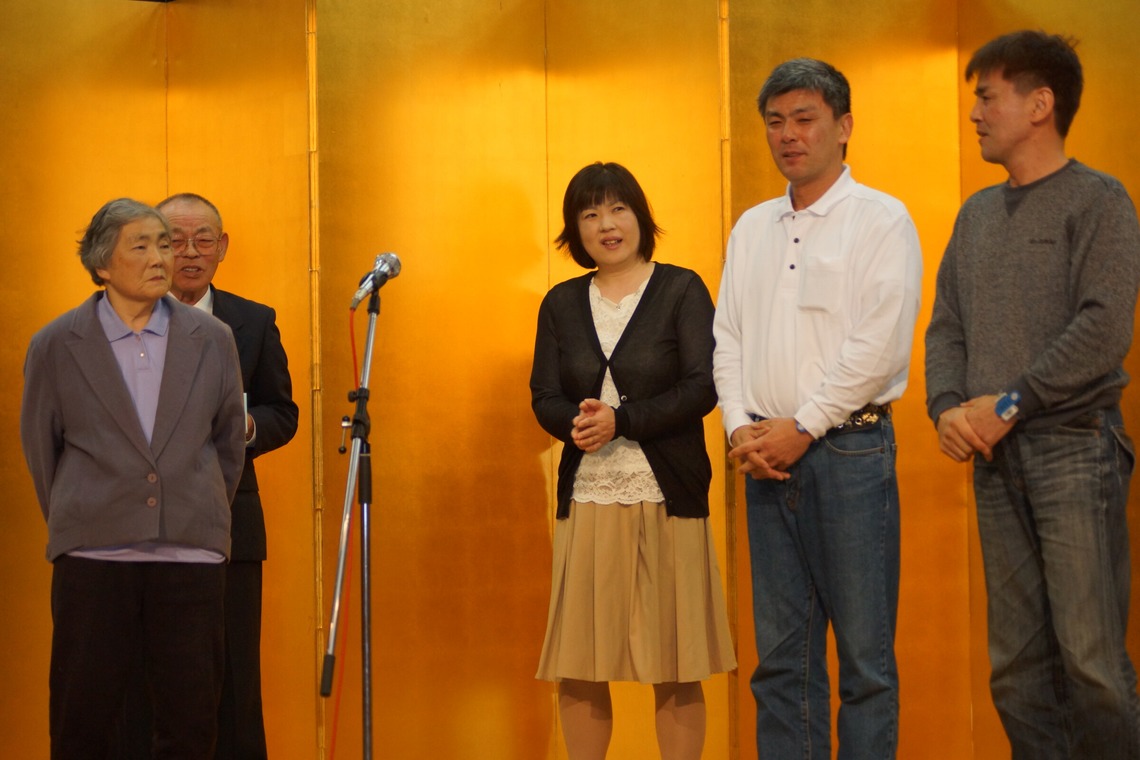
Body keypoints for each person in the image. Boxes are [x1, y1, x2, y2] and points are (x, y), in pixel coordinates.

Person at [925, 30, 1140, 758]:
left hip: (1075, 451)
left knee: (1092, 666)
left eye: (987, 96)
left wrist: (1007, 404)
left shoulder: (1100, 200)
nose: (975, 113)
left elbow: (1105, 328)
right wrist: (947, 407)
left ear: (1040, 103)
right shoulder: (977, 214)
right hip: (995, 462)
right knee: (1015, 673)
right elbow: (946, 323)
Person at [712, 58, 922, 759]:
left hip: (849, 452)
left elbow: (879, 343)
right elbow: (728, 338)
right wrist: (741, 426)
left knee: (865, 664)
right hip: (764, 459)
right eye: (775, 122)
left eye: (804, 119)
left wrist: (802, 426)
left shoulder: (881, 218)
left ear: (844, 126)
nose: (788, 136)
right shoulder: (752, 226)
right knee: (780, 667)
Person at [20, 198, 247, 758]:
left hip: (190, 558)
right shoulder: (55, 344)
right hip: (94, 558)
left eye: (164, 244)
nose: (160, 257)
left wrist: (197, 509)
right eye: (141, 245)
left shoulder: (213, 338)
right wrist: (90, 512)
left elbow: (226, 446)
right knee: (84, 723)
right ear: (102, 264)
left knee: (191, 725)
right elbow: (42, 449)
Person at [530, 161, 736, 760]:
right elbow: (543, 394)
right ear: (575, 231)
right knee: (581, 661)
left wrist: (624, 421)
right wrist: (579, 424)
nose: (606, 225)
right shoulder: (561, 303)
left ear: (641, 218)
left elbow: (703, 386)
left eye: (618, 209)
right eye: (589, 214)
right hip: (588, 497)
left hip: (667, 498)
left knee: (676, 659)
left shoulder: (681, 289)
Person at [117, 192, 299, 759]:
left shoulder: (254, 320)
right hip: (134, 528)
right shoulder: (118, 315)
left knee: (233, 680)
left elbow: (282, 413)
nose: (189, 252)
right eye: (175, 239)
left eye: (204, 240)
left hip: (228, 526)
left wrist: (242, 427)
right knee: (139, 680)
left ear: (222, 247)